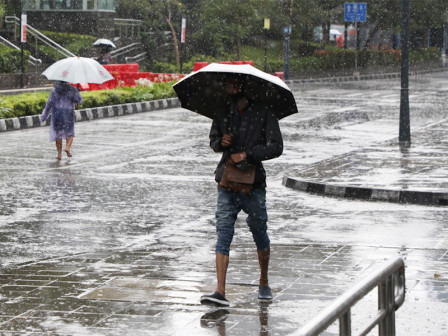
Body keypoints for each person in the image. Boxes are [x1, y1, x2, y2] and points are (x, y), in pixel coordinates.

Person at [200, 75, 283, 307]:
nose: (229, 87)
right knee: (223, 231)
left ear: (244, 87)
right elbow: (213, 141)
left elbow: (276, 146)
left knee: (258, 229)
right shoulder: (222, 111)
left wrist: (248, 154)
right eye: (227, 84)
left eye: (234, 84)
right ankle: (220, 290)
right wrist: (222, 143)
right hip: (227, 181)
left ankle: (264, 281)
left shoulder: (264, 112)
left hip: (253, 184)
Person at [41, 81, 83, 160]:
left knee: (58, 134)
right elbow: (79, 101)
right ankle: (67, 147)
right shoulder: (72, 89)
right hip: (68, 113)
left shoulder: (54, 90)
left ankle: (59, 154)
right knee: (70, 132)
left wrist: (44, 116)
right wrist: (77, 92)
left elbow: (49, 103)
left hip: (57, 113)